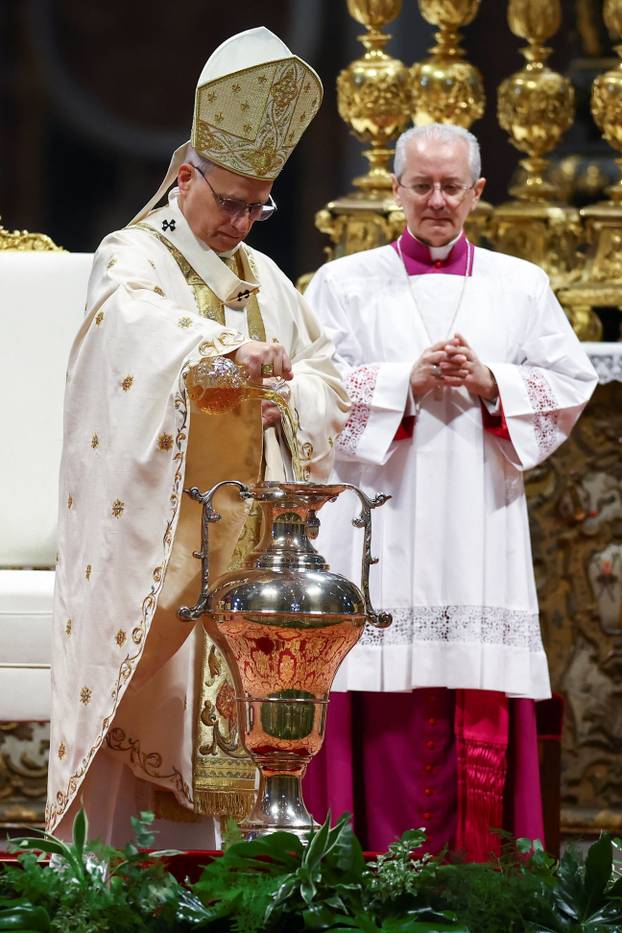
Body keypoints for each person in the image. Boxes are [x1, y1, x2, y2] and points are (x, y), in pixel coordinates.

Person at [46, 27, 349, 848]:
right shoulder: (132, 257)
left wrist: (293, 401)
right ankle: (101, 884)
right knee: (143, 706)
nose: (243, 222)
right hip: (156, 548)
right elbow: (130, 332)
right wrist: (223, 352)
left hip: (244, 545)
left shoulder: (266, 280)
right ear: (187, 176)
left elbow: (328, 378)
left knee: (235, 716)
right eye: (231, 203)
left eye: (259, 206)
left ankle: (221, 887)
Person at [303, 122, 597, 860]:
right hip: (378, 518)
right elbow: (312, 392)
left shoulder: (520, 285)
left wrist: (492, 379)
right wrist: (407, 380)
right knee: (371, 678)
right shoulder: (343, 283)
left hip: (476, 519)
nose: (437, 201)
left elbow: (570, 382)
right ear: (395, 190)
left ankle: (476, 875)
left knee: (470, 673)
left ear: (478, 193)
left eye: (452, 186)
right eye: (422, 185)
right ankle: (356, 864)